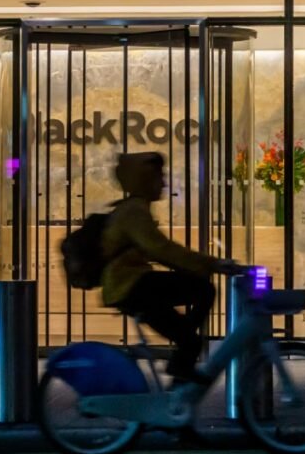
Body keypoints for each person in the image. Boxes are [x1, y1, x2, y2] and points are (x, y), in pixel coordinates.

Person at [102, 152, 242, 383]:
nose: (165, 183)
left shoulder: (134, 209)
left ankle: (182, 364)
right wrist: (211, 264)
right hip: (129, 286)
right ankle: (182, 359)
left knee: (191, 329)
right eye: (160, 177)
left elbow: (161, 252)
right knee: (203, 292)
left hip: (131, 284)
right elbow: (162, 249)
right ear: (144, 181)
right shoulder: (134, 212)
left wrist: (199, 265)